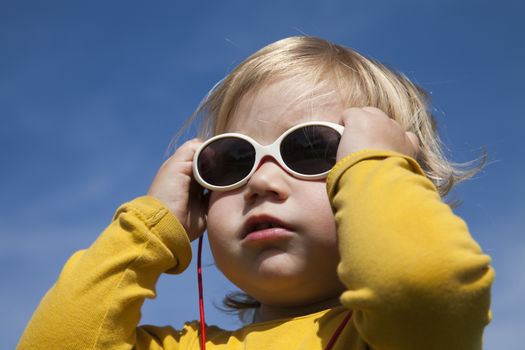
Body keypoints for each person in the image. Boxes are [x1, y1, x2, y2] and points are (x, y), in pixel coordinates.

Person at [18, 36, 494, 350]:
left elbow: (419, 284)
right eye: (232, 161)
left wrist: (376, 165)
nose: (261, 183)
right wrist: (149, 228)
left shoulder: (393, 335)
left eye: (311, 150)